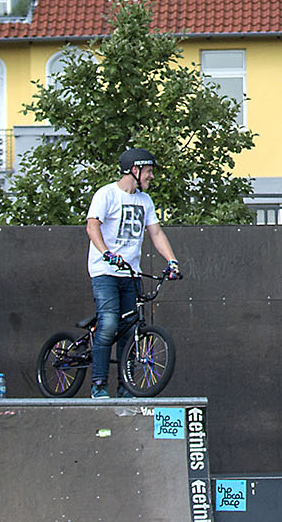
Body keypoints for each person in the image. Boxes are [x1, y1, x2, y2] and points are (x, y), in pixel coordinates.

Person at [85, 148, 180, 400]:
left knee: (129, 330)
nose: (151, 177)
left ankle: (125, 388)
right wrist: (106, 253)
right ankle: (98, 385)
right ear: (134, 170)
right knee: (108, 323)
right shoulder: (106, 194)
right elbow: (92, 226)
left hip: (130, 273)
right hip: (105, 270)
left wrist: (172, 261)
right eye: (148, 171)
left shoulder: (145, 201)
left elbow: (156, 233)